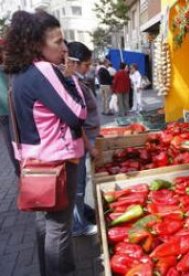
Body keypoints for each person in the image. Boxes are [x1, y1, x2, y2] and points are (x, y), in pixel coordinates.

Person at [4, 10, 86, 276]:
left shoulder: (19, 74)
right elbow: (77, 114)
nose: (64, 48)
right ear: (38, 44)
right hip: (57, 162)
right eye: (58, 42)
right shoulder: (45, 70)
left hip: (34, 162)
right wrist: (71, 78)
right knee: (59, 229)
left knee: (44, 225)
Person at [67, 41, 100, 236]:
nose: (89, 68)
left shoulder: (78, 81)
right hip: (80, 142)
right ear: (75, 63)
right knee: (78, 185)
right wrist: (90, 146)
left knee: (80, 181)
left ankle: (82, 213)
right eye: (86, 64)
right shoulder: (73, 83)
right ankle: (78, 226)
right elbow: (77, 123)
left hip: (86, 138)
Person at [0, 38, 20, 176]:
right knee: (13, 146)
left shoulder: (14, 68)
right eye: (4, 51)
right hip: (6, 114)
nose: (7, 54)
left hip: (15, 111)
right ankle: (20, 172)